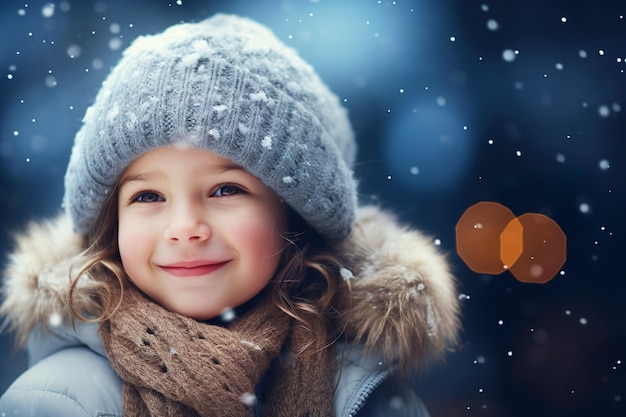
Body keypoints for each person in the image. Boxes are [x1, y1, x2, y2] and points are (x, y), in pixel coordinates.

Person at [0, 14, 460, 417]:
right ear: (111, 222)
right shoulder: (61, 401)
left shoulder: (366, 389)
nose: (184, 229)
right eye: (147, 197)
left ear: (295, 214)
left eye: (226, 189)